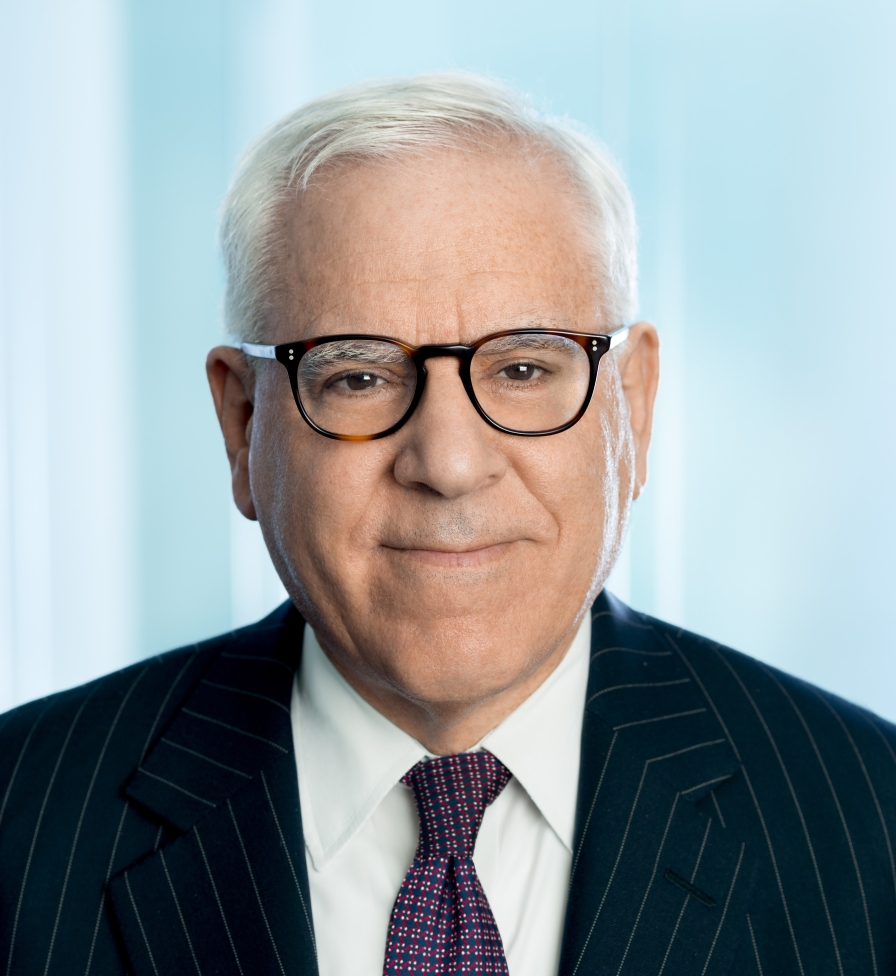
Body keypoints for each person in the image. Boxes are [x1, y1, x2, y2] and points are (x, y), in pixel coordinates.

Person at [1, 73, 894, 976]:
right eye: (357, 377)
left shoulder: (870, 820)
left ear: (633, 407)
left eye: (524, 369)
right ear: (242, 425)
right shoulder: (20, 823)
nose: (449, 463)